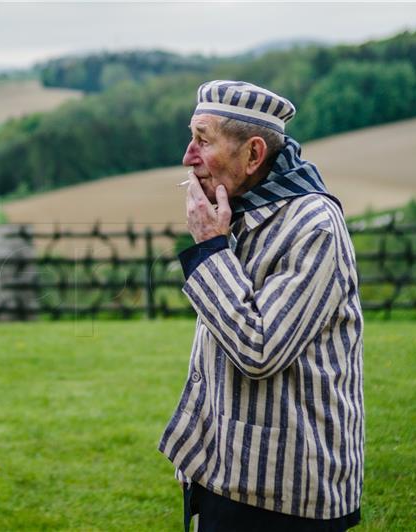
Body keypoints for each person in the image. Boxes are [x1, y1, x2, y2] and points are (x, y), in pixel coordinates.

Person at [158, 80, 364, 532]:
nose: (188, 157)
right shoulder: (241, 210)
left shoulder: (313, 226)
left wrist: (211, 247)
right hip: (227, 474)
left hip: (286, 495)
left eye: (203, 140)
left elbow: (258, 349)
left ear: (253, 155)